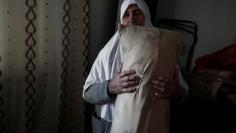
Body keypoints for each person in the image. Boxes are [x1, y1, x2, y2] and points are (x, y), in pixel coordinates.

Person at [83, 0, 188, 132]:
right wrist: (111, 86)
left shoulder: (162, 51)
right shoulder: (107, 53)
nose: (131, 19)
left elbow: (183, 94)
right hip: (108, 125)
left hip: (148, 124)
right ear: (121, 20)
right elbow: (87, 93)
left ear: (146, 17)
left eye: (137, 13)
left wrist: (175, 91)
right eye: (126, 14)